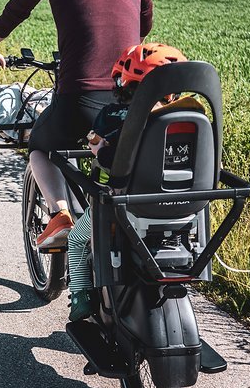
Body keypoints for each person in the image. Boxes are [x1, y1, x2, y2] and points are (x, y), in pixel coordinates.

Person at [0, 0, 153, 253]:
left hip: (81, 96)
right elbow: (144, 23)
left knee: (41, 146)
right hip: (133, 97)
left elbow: (14, 13)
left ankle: (60, 218)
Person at [67, 42, 203, 321]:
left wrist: (97, 146)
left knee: (77, 239)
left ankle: (81, 297)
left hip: (120, 203)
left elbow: (108, 157)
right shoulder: (190, 117)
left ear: (123, 81)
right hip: (183, 207)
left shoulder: (112, 115)